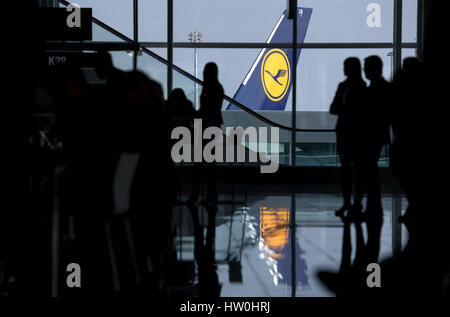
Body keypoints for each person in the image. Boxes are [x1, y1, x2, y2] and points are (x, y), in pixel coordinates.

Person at [330, 57, 366, 218]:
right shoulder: (348, 86)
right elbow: (333, 108)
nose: (344, 69)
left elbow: (335, 108)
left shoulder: (360, 88)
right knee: (348, 170)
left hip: (352, 133)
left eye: (346, 66)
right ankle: (350, 203)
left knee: (355, 171)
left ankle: (355, 203)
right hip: (348, 132)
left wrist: (345, 109)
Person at [188, 63, 224, 206]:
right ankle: (210, 195)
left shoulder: (210, 88)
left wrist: (195, 115)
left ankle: (198, 195)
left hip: (207, 128)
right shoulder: (216, 88)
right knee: (209, 164)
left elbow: (207, 109)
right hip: (211, 127)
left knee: (202, 164)